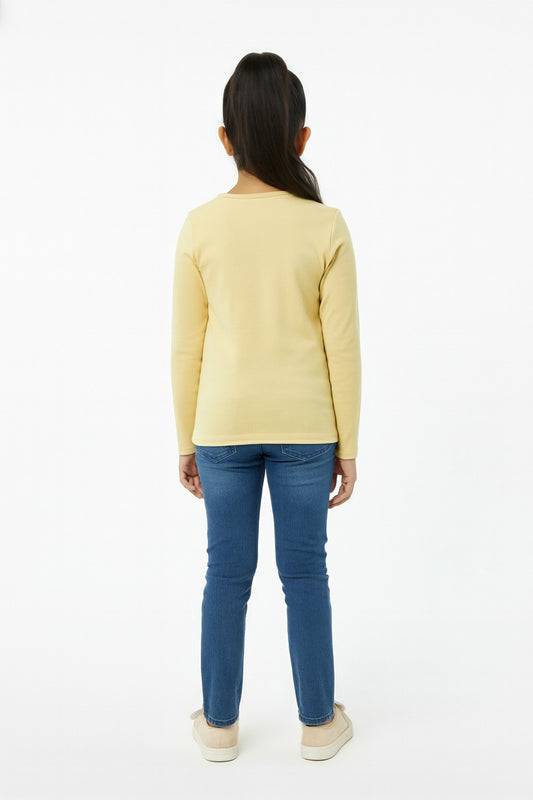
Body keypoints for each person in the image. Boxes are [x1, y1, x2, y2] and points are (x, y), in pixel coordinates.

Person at [170, 52, 361, 762]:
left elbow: (185, 348)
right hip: (307, 427)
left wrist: (185, 440)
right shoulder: (325, 225)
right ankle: (318, 725)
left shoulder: (199, 227)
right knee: (305, 574)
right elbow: (343, 348)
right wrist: (348, 445)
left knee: (226, 574)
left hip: (220, 426)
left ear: (225, 139)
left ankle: (219, 727)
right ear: (301, 138)